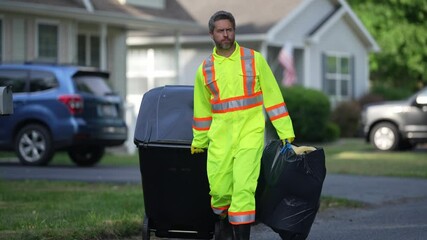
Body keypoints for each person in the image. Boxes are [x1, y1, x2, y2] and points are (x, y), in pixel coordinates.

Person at [191, 10, 295, 240]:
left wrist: (285, 132)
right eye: (221, 31)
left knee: (243, 188)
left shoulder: (254, 59)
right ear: (212, 34)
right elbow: (202, 111)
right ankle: (223, 225)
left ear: (234, 31)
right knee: (219, 191)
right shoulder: (204, 70)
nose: (226, 35)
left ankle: (241, 236)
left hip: (250, 133)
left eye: (229, 30)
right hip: (220, 138)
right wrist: (199, 141)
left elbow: (273, 97)